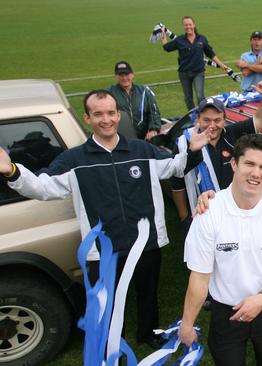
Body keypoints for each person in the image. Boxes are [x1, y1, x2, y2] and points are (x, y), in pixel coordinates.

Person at [0, 90, 208, 348]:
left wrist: (192, 149)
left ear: (118, 115)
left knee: (147, 293)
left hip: (146, 243)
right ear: (88, 118)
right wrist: (10, 171)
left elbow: (175, 167)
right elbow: (42, 188)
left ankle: (148, 334)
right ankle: (112, 344)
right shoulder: (73, 160)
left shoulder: (141, 149)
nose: (106, 119)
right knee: (106, 301)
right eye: (98, 114)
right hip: (102, 250)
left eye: (111, 113)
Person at [178, 134, 262, 365]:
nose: (256, 173)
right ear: (234, 164)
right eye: (249, 164)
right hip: (226, 310)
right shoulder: (209, 213)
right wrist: (187, 324)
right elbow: (199, 275)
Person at [171, 80, 262, 232]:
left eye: (217, 120)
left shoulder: (232, 133)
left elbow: (261, 119)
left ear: (224, 119)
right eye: (206, 120)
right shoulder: (184, 142)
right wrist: (184, 217)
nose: (212, 125)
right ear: (198, 119)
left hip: (235, 211)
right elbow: (177, 184)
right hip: (203, 213)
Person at [161, 16, 234, 110]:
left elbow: (210, 53)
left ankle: (202, 114)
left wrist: (222, 65)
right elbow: (167, 48)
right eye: (186, 25)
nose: (188, 27)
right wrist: (162, 33)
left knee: (200, 96)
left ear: (194, 25)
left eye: (190, 24)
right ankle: (192, 117)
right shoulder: (180, 40)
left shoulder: (202, 39)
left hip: (198, 73)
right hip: (184, 73)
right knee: (188, 98)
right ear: (183, 26)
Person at [107, 61, 161, 141]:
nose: (124, 78)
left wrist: (153, 129)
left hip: (144, 138)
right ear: (116, 76)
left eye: (127, 74)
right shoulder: (109, 93)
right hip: (119, 139)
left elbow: (154, 113)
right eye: (121, 75)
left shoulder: (144, 91)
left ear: (132, 75)